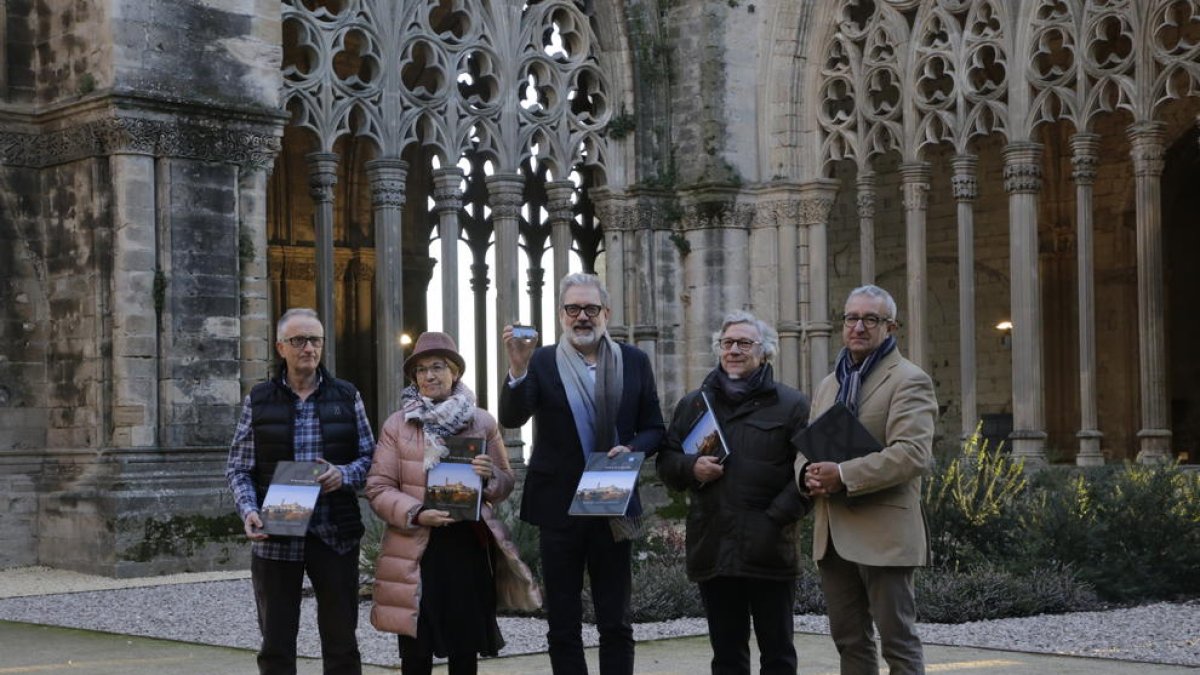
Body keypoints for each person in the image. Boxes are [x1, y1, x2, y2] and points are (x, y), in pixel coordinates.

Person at [499, 272, 666, 675]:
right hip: (559, 508)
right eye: (573, 308)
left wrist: (633, 448)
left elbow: (655, 429)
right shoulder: (541, 361)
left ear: (606, 313)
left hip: (613, 501)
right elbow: (511, 417)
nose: (582, 317)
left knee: (615, 620)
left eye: (591, 308)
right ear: (561, 315)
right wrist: (517, 369)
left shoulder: (634, 361)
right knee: (563, 622)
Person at [366, 331, 540, 675]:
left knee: (465, 649)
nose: (429, 376)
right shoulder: (397, 426)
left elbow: (506, 480)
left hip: (466, 548)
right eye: (420, 370)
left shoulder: (482, 422)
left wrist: (490, 476)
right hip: (415, 549)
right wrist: (416, 513)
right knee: (416, 653)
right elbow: (378, 487)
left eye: (438, 367)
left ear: (455, 372)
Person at [657, 310, 811, 675]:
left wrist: (775, 519)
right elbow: (666, 462)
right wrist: (690, 468)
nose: (734, 350)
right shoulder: (694, 404)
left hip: (769, 548)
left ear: (765, 352)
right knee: (727, 657)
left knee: (778, 656)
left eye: (745, 343)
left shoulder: (792, 405)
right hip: (715, 546)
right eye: (727, 343)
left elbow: (809, 473)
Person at [225, 307, 375, 675]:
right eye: (299, 340)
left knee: (341, 643)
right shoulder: (258, 400)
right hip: (276, 535)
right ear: (281, 347)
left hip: (334, 532)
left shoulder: (346, 395)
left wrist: (344, 474)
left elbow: (372, 459)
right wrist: (249, 510)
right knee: (276, 645)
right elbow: (239, 467)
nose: (308, 348)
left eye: (315, 340)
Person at [798, 285, 937, 675]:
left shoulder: (909, 379)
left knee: (898, 644)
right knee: (849, 642)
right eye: (851, 318)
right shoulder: (830, 384)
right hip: (833, 534)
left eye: (870, 319)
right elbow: (809, 444)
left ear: (890, 327)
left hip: (883, 533)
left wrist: (842, 474)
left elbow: (912, 454)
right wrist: (805, 474)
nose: (858, 327)